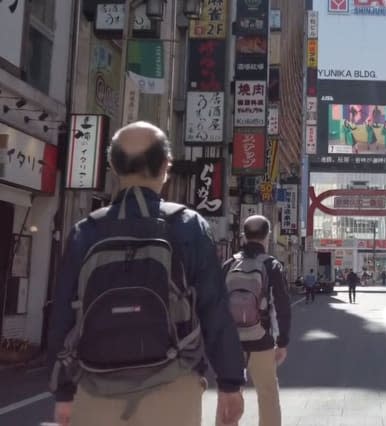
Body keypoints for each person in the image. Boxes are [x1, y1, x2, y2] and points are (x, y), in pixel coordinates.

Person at [48, 121, 245, 426]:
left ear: (113, 165)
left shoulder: (85, 232)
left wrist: (63, 393)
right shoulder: (188, 225)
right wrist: (230, 383)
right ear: (166, 165)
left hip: (93, 386)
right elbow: (214, 310)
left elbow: (62, 316)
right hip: (173, 384)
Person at [221, 215, 291, 426]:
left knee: (229, 391)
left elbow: (216, 305)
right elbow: (282, 306)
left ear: (243, 236)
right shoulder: (271, 265)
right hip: (262, 339)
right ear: (267, 237)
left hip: (232, 341)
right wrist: (283, 341)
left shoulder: (229, 263)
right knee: (267, 393)